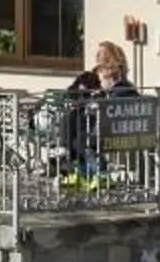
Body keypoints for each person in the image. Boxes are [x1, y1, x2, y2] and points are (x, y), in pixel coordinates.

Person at [57, 41, 137, 187]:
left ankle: (90, 172)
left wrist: (104, 93)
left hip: (109, 123)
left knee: (84, 133)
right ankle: (71, 160)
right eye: (98, 53)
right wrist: (81, 91)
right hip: (89, 118)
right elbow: (71, 92)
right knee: (73, 117)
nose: (97, 56)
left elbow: (120, 100)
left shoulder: (121, 84)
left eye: (102, 53)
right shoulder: (89, 76)